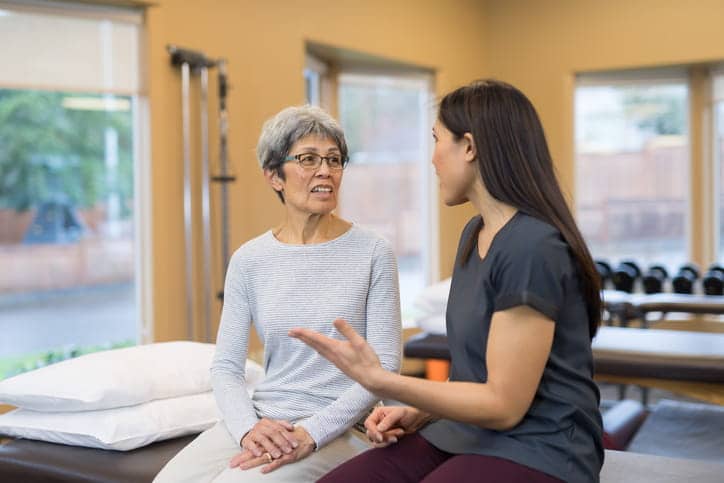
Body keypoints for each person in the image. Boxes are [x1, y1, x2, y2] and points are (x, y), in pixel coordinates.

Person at [291, 80, 604, 482]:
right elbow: (474, 376)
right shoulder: (474, 234)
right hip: (467, 432)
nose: (433, 159)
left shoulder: (532, 246)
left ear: (469, 147)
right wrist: (421, 412)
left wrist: (383, 382)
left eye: (437, 140)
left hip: (543, 445)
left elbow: (503, 404)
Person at [155, 105, 402, 483]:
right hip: (264, 416)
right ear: (274, 176)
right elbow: (225, 368)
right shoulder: (250, 259)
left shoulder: (373, 252)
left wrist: (311, 434)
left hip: (340, 426)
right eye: (308, 159)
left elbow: (385, 367)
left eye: (334, 160)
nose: (325, 171)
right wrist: (247, 430)